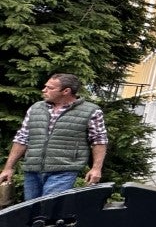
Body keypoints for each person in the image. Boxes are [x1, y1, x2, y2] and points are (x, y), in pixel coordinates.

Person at [0, 73, 107, 201]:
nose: (44, 90)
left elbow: (99, 140)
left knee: (49, 210)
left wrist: (96, 169)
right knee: (31, 210)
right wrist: (8, 168)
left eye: (50, 88)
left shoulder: (91, 111)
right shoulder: (36, 108)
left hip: (63, 170)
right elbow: (22, 138)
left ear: (66, 91)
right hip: (32, 169)